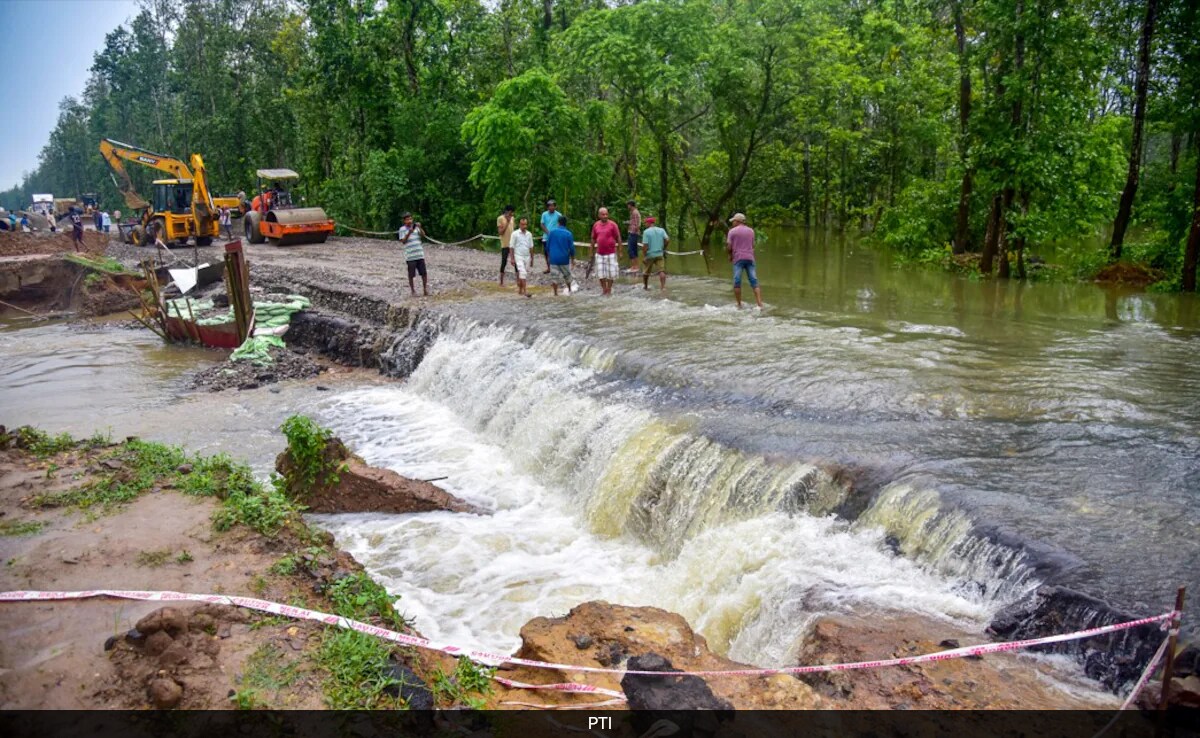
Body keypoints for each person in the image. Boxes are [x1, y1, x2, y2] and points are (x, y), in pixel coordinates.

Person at [726, 212, 763, 308]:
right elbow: (753, 245)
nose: (732, 223)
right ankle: (759, 303)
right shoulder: (751, 231)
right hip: (750, 258)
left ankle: (739, 304)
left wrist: (730, 255)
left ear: (737, 221)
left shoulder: (732, 231)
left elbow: (729, 246)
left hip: (738, 258)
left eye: (733, 221)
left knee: (737, 281)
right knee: (754, 281)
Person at [590, 206, 621, 296]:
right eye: (603, 214)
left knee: (611, 273)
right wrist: (591, 252)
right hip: (599, 253)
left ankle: (609, 289)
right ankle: (604, 289)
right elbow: (593, 238)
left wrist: (620, 251)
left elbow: (618, 238)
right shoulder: (596, 225)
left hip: (611, 253)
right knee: (600, 273)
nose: (605, 216)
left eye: (606, 214)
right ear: (599, 215)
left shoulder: (613, 225)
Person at [399, 212, 429, 297]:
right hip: (410, 256)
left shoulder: (416, 228)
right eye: (407, 219)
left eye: (410, 219)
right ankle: (413, 291)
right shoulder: (402, 229)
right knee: (411, 274)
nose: (409, 221)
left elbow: (423, 235)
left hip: (419, 254)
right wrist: (409, 233)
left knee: (424, 273)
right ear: (404, 221)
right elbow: (403, 241)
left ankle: (425, 289)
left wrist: (420, 227)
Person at [546, 214, 575, 296]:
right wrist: (572, 259)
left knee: (554, 277)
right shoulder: (568, 234)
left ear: (558, 223)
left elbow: (547, 246)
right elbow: (572, 248)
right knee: (567, 275)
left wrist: (549, 257)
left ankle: (555, 293)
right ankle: (569, 290)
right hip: (564, 259)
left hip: (554, 258)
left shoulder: (552, 233)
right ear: (565, 223)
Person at [641, 216, 669, 291]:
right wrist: (664, 248)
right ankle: (663, 287)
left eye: (646, 223)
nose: (645, 224)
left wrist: (644, 256)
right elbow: (667, 240)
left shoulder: (646, 232)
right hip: (660, 254)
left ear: (649, 223)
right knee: (661, 271)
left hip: (650, 255)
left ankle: (645, 286)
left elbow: (645, 246)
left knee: (646, 272)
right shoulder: (661, 230)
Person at [512, 216, 534, 297]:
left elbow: (531, 247)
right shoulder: (515, 234)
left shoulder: (529, 234)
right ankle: (525, 291)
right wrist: (512, 259)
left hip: (527, 256)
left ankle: (520, 290)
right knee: (523, 272)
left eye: (525, 224)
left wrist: (532, 258)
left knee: (523, 274)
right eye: (522, 224)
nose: (524, 226)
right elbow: (511, 247)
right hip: (518, 256)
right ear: (519, 224)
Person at [539, 199, 561, 274]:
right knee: (546, 253)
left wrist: (555, 233)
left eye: (552, 206)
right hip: (546, 237)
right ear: (547, 207)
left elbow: (560, 225)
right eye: (549, 206)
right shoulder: (544, 214)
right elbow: (542, 224)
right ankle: (548, 268)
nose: (551, 207)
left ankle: (555, 268)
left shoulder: (559, 215)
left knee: (554, 252)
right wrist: (548, 232)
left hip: (555, 237)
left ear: (555, 207)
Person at [497, 204, 517, 286]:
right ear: (508, 212)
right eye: (512, 212)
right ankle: (501, 282)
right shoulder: (500, 218)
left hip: (513, 244)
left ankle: (518, 281)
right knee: (504, 261)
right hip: (505, 243)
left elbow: (513, 230)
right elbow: (500, 232)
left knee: (516, 262)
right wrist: (507, 222)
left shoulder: (513, 218)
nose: (512, 214)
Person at [626, 199, 642, 274]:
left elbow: (637, 224)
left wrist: (635, 231)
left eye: (628, 205)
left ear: (630, 205)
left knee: (631, 249)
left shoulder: (635, 212)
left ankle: (634, 267)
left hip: (633, 233)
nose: (627, 206)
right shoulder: (633, 212)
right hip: (633, 232)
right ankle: (636, 266)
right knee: (634, 250)